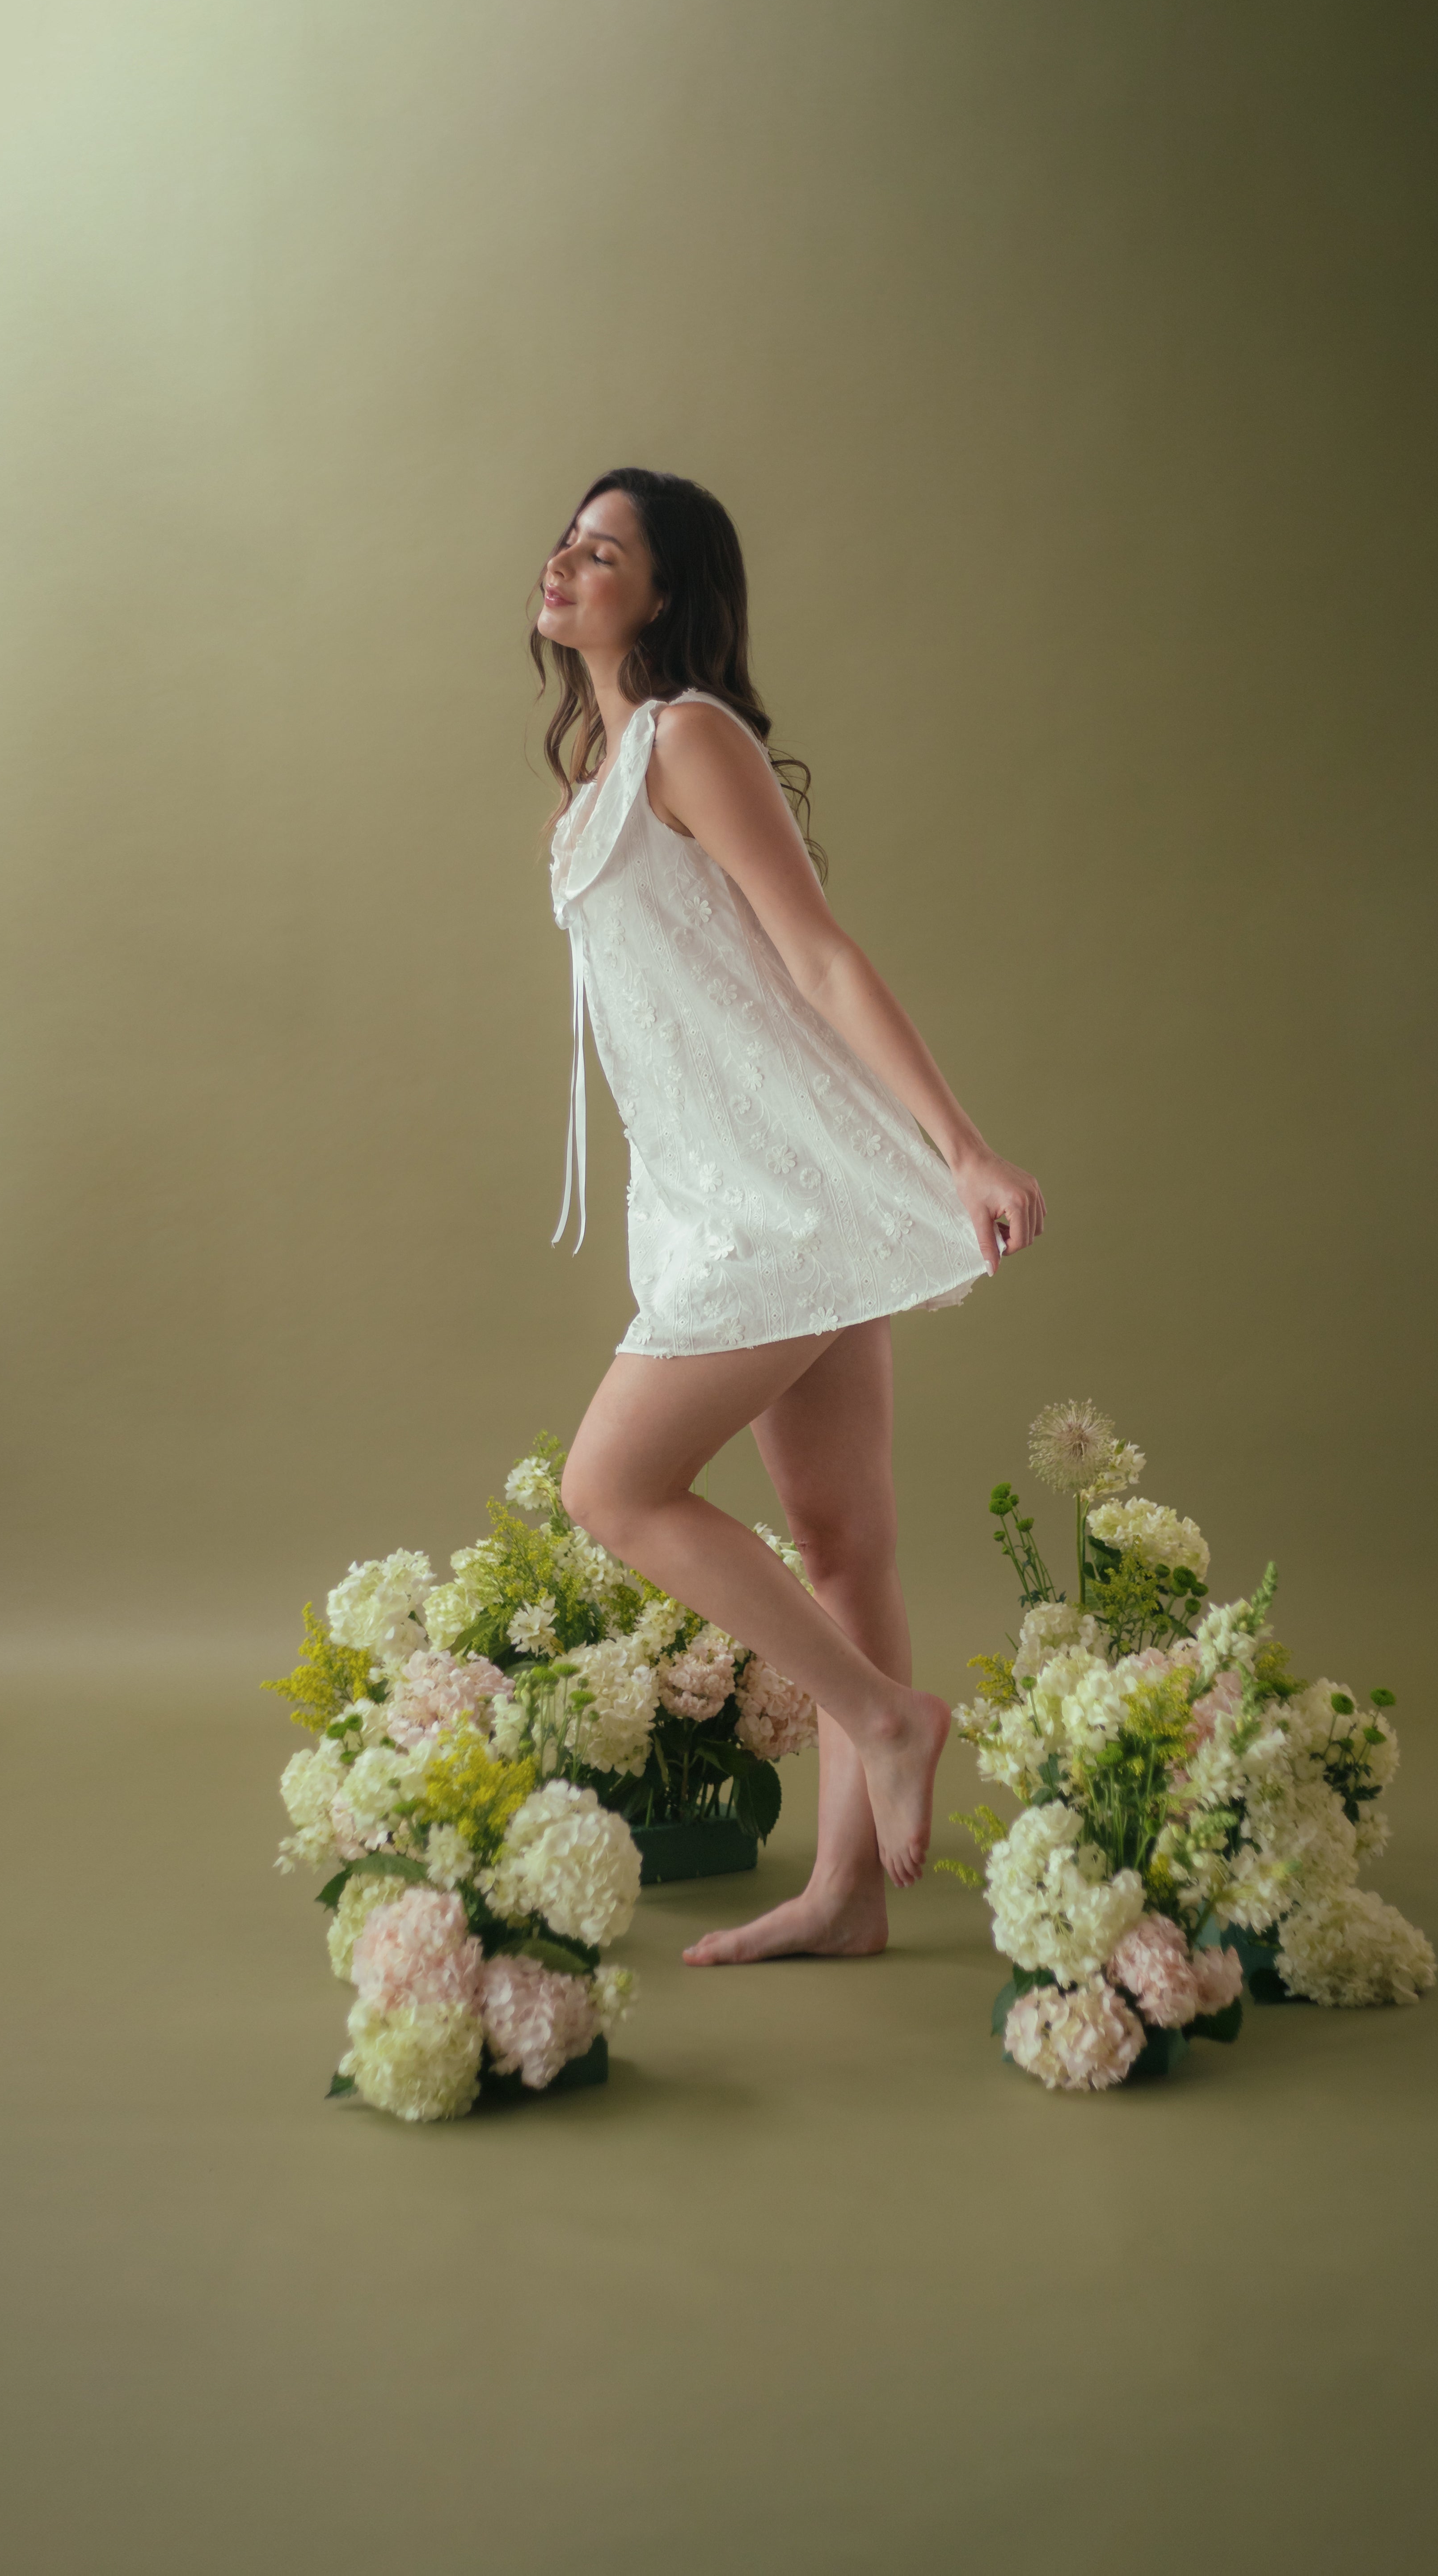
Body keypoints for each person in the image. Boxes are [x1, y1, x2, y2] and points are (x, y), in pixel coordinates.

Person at [534, 468, 1045, 1963]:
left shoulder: (689, 737)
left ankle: (886, 1717)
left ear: (666, 594)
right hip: (715, 1192)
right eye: (567, 539)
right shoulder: (595, 788)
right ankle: (846, 1900)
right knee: (840, 1538)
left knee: (612, 1487)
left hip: (785, 1197)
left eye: (606, 551)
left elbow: (819, 958)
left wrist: (962, 1150)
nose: (566, 561)